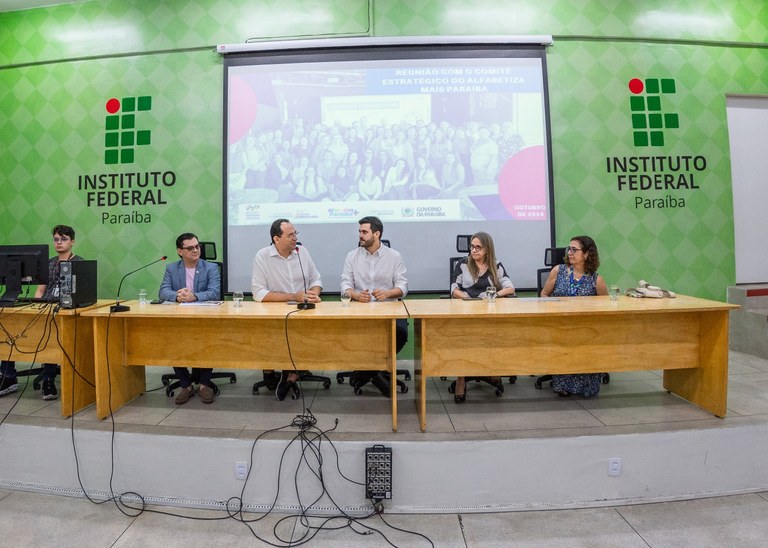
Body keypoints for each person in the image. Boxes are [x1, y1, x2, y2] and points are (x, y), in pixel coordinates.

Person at [0, 225, 83, 400]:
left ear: (72, 241)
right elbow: (40, 290)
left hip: (63, 311)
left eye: (63, 239)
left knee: (51, 334)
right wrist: (35, 304)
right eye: (56, 239)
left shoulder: (79, 263)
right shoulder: (48, 263)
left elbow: (81, 293)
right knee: (10, 328)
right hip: (44, 307)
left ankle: (48, 379)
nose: (59, 243)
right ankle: (8, 376)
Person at [251, 219, 322, 400]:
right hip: (274, 313)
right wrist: (293, 296)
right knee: (269, 336)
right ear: (276, 238)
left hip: (303, 310)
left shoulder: (302, 252)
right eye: (290, 235)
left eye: (296, 233)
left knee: (309, 335)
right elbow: (258, 293)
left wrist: (313, 293)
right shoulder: (263, 256)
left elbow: (316, 280)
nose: (295, 238)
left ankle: (290, 376)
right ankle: (274, 373)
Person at [340, 216, 408, 397]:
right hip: (360, 311)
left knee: (401, 333)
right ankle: (377, 374)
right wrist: (355, 294)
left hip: (388, 308)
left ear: (376, 234)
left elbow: (403, 287)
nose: (360, 235)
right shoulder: (351, 257)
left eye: (364, 232)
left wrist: (388, 293)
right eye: (359, 232)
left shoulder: (394, 257)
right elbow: (345, 285)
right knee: (353, 335)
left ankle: (368, 372)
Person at [450, 231, 516, 403]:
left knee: (494, 337)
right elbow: (453, 289)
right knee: (462, 341)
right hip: (466, 313)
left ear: (487, 249)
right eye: (472, 247)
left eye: (478, 247)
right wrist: (464, 297)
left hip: (489, 313)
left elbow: (510, 288)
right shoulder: (462, 264)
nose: (473, 250)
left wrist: (493, 295)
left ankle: (492, 369)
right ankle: (461, 379)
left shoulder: (496, 265)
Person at [541, 235, 609, 398]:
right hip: (560, 325)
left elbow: (605, 306)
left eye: (574, 249)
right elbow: (544, 294)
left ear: (586, 254)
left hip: (586, 329)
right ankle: (563, 384)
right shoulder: (558, 271)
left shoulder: (596, 279)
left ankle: (587, 385)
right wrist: (554, 306)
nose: (570, 252)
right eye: (568, 249)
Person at [158, 232, 221, 405]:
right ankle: (185, 385)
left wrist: (194, 296)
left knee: (208, 342)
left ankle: (204, 384)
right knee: (173, 342)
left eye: (197, 246)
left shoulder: (211, 268)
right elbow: (163, 291)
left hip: (205, 317)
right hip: (180, 318)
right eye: (190, 248)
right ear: (180, 251)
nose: (195, 250)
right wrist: (178, 297)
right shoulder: (172, 268)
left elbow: (215, 292)